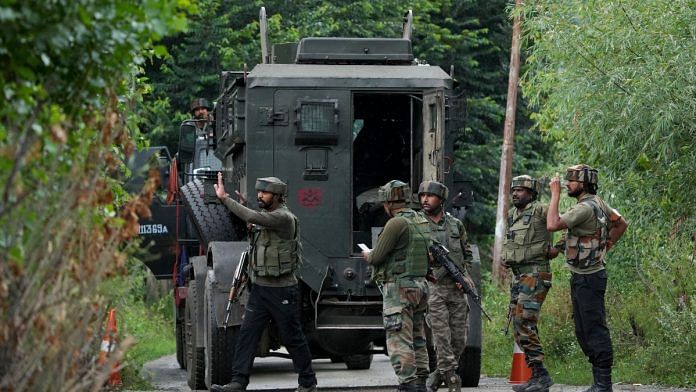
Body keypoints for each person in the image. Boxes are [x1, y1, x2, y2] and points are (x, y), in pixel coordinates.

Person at [210, 173, 317, 392]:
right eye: (259, 191)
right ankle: (238, 382)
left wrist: (225, 199)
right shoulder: (265, 216)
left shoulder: (283, 218)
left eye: (265, 193)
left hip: (282, 290)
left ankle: (307, 382)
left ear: (277, 196)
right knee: (247, 335)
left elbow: (255, 217)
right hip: (260, 289)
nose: (260, 195)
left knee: (292, 337)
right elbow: (253, 219)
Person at [547, 165, 628, 392]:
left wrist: (554, 194)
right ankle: (599, 382)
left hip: (589, 279)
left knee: (593, 329)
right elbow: (620, 223)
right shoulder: (599, 203)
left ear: (583, 184)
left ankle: (603, 384)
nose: (566, 184)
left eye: (571, 181)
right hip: (585, 277)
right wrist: (604, 246)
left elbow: (553, 224)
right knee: (584, 331)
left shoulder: (584, 208)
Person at [362, 180, 431, 392]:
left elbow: (377, 256)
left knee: (398, 337)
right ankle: (420, 381)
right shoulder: (421, 220)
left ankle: (408, 383)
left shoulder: (396, 223)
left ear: (388, 203)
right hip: (420, 286)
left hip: (400, 288)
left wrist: (367, 254)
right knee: (417, 337)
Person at [502, 175, 559, 392]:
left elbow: (565, 224)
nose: (516, 193)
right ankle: (536, 375)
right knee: (519, 326)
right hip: (519, 276)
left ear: (532, 193)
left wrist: (558, 248)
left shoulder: (541, 211)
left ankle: (542, 376)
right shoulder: (512, 215)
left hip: (535, 275)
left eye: (521, 190)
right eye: (514, 190)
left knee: (525, 321)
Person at [417, 180, 474, 392]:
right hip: (433, 287)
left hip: (456, 287)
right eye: (422, 196)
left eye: (429, 196)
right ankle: (451, 378)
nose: (425, 200)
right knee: (441, 335)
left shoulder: (455, 225)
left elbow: (466, 253)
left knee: (460, 337)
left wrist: (465, 277)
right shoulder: (417, 225)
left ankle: (439, 374)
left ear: (441, 200)